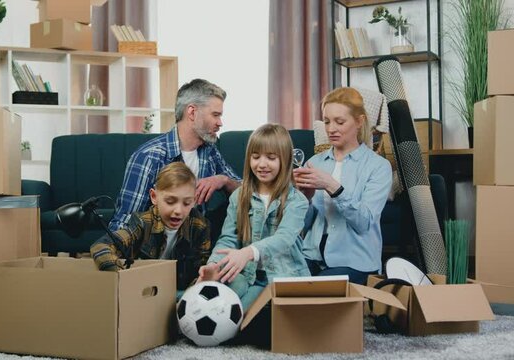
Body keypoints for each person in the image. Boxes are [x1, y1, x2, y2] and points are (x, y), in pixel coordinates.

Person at [199, 124, 310, 311]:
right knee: (232, 313)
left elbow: (284, 239)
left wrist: (248, 252)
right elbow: (228, 238)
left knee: (259, 321)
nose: (262, 164)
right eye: (256, 157)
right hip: (250, 277)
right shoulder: (239, 196)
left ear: (285, 160)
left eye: (271, 158)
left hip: (285, 276)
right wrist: (214, 265)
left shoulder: (297, 200)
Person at [109, 79, 241, 232]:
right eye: (215, 115)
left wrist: (223, 180)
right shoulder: (149, 157)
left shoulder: (209, 152)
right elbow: (125, 222)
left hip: (193, 249)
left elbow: (248, 193)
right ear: (192, 112)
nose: (220, 123)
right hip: (152, 252)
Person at [293, 87, 392, 285]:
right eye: (327, 121)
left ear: (359, 121)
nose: (331, 129)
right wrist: (305, 198)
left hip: (355, 262)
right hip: (311, 255)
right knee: (278, 286)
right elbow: (300, 226)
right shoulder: (315, 162)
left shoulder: (378, 166)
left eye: (340, 122)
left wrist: (333, 187)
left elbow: (363, 223)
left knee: (313, 292)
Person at [91, 162, 211, 293]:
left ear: (194, 201)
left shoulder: (200, 226)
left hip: (181, 292)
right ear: (154, 197)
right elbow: (101, 247)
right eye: (170, 201)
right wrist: (123, 278)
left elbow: (201, 268)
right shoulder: (142, 222)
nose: (178, 210)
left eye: (187, 203)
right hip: (144, 292)